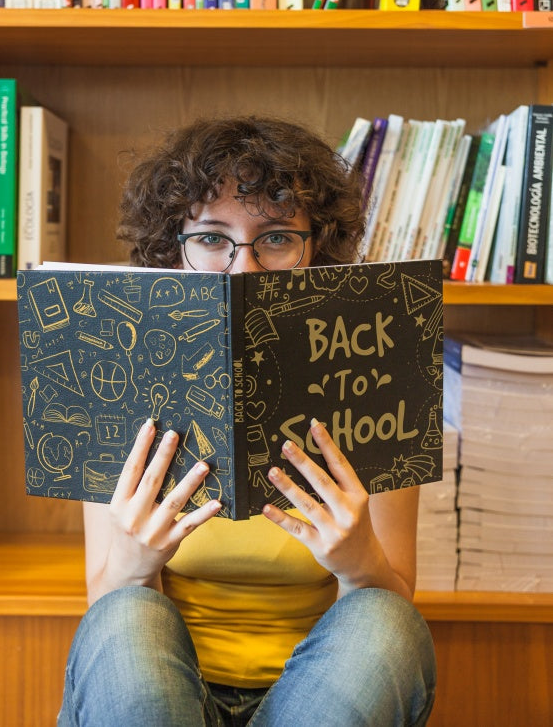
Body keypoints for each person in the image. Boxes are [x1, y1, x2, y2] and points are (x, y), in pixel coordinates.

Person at [58, 115, 436, 727]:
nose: (244, 270)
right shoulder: (118, 363)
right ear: (172, 248)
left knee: (385, 620)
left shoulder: (374, 365)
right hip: (169, 697)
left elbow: (391, 631)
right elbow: (109, 624)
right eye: (212, 238)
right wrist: (134, 559)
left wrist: (359, 558)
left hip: (313, 701)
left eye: (277, 238)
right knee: (126, 613)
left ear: (316, 248)